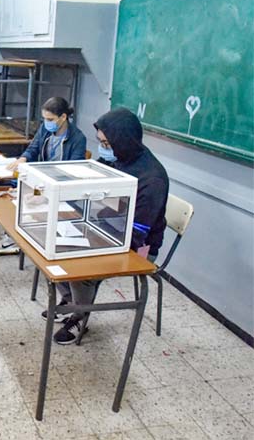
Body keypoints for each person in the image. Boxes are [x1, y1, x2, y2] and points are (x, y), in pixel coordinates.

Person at [52, 107, 169, 345]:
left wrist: (91, 239)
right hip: (109, 227)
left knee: (81, 266)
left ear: (122, 141)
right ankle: (72, 300)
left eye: (106, 143)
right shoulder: (118, 158)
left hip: (139, 246)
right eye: (101, 142)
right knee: (57, 243)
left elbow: (137, 234)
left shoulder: (152, 178)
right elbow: (91, 183)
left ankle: (79, 315)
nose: (102, 148)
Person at [0, 97, 87, 255]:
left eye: (50, 119)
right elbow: (34, 147)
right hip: (42, 182)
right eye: (44, 119)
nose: (47, 123)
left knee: (31, 203)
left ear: (63, 117)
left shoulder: (78, 139)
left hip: (60, 188)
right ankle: (15, 237)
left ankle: (24, 239)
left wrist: (46, 195)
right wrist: (23, 158)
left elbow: (72, 172)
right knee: (19, 197)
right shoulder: (46, 129)